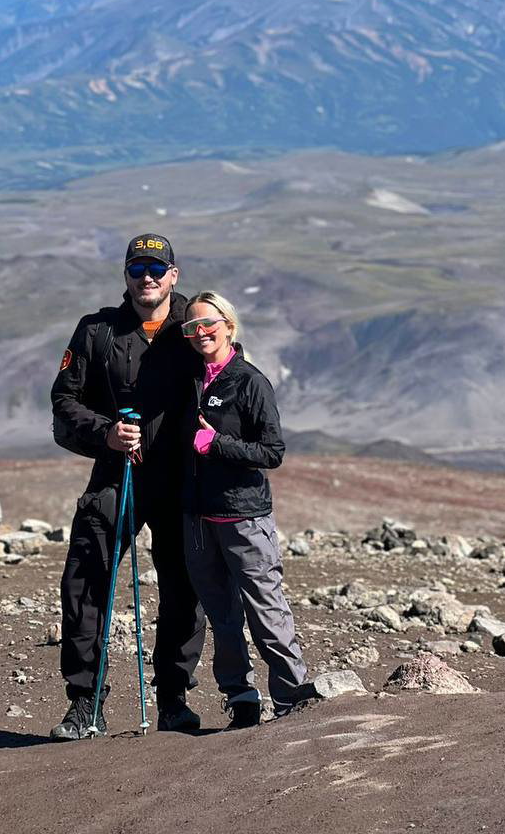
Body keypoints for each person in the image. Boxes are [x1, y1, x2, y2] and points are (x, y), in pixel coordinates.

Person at [49, 233, 206, 740]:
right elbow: (64, 403)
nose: (148, 277)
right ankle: (85, 703)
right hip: (117, 473)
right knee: (85, 578)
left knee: (184, 587)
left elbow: (232, 380)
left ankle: (173, 700)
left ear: (174, 275)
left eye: (157, 268)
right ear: (126, 275)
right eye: (138, 268)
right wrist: (106, 434)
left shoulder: (196, 325)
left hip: (181, 477)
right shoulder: (96, 331)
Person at [179, 290, 316, 729]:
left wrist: (215, 444)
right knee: (222, 615)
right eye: (192, 326)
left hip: (243, 517)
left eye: (209, 324)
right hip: (199, 519)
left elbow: (272, 452)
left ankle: (293, 700)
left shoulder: (249, 381)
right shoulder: (190, 380)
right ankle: (241, 699)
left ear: (229, 326)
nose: (201, 332)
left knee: (265, 610)